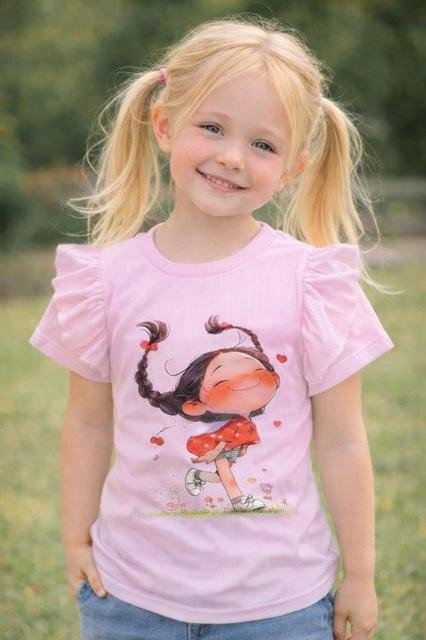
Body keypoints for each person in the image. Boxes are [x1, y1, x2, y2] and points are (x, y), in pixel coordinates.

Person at [28, 15, 395, 640]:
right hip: (129, 599)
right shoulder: (106, 280)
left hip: (281, 605)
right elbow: (88, 424)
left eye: (263, 145)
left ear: (294, 167)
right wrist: (74, 540)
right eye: (213, 127)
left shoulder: (311, 281)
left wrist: (360, 575)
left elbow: (341, 440)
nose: (232, 156)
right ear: (165, 125)